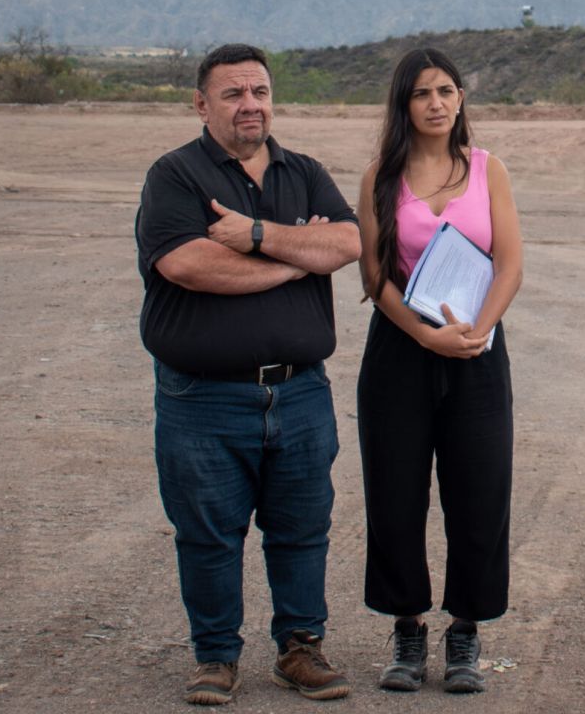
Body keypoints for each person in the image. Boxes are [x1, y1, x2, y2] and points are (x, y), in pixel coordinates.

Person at [135, 44, 362, 706]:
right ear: (201, 104)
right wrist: (298, 257)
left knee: (301, 527)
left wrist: (256, 236)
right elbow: (188, 265)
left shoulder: (304, 170)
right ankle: (215, 657)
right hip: (202, 397)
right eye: (232, 94)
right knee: (208, 532)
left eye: (259, 91)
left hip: (300, 391)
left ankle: (300, 648)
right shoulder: (174, 176)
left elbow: (347, 244)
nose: (250, 105)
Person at [354, 48, 523, 694]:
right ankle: (406, 628)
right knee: (396, 494)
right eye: (422, 93)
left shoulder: (489, 171)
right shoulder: (380, 177)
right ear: (403, 104)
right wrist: (427, 335)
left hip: (478, 349)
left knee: (480, 493)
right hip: (400, 351)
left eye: (446, 90)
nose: (436, 103)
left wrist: (476, 333)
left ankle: (466, 635)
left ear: (460, 99)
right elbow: (374, 275)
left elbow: (510, 264)